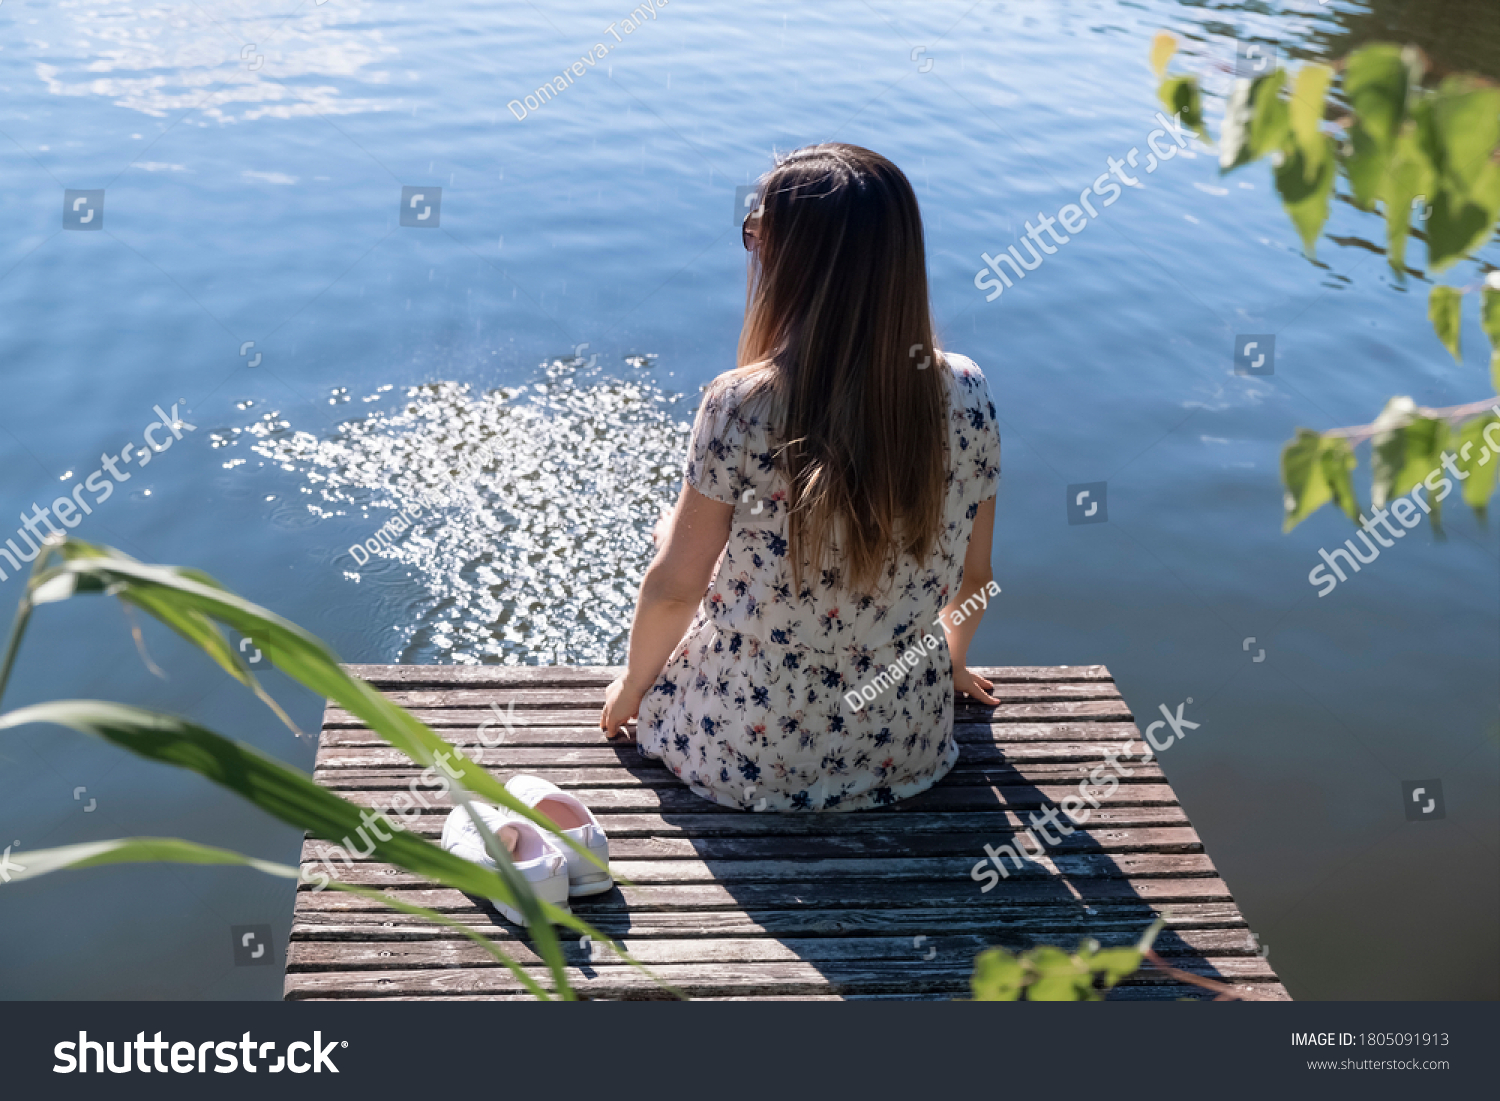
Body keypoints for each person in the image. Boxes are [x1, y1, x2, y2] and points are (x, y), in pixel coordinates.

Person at [599, 142, 1001, 813]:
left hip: (748, 750)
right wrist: (951, 667)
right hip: (906, 743)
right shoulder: (967, 391)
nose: (752, 251)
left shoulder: (742, 405)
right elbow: (975, 577)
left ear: (793, 263)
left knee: (676, 535)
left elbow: (675, 586)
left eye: (758, 238)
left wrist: (632, 689)